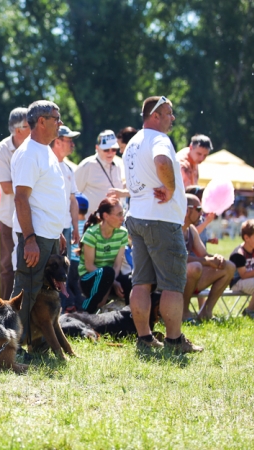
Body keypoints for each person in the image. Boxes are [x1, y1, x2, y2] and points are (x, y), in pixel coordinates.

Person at [123, 95, 202, 353]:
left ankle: (144, 339)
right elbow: (162, 162)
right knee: (171, 284)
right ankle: (174, 341)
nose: (173, 118)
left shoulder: (133, 141)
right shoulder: (159, 139)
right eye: (169, 113)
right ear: (155, 115)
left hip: (137, 217)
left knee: (141, 282)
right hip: (161, 219)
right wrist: (169, 188)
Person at [10, 100, 68, 346]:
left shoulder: (45, 150)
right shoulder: (28, 153)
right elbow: (21, 198)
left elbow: (46, 196)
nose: (60, 123)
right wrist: (30, 239)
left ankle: (39, 343)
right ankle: (11, 346)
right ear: (41, 121)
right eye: (56, 117)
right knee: (26, 292)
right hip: (36, 236)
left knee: (44, 292)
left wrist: (57, 233)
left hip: (48, 235)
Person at [0, 107, 29, 299]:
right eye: (29, 124)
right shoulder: (1, 150)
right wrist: (31, 185)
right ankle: (5, 307)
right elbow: (6, 187)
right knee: (7, 266)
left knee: (31, 264)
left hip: (33, 215)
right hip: (9, 218)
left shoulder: (36, 146)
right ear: (18, 130)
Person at [182, 194, 235, 320]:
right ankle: (183, 312)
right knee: (195, 267)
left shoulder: (192, 229)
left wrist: (216, 258)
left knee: (229, 267)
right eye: (199, 209)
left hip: (189, 277)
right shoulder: (174, 228)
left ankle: (206, 313)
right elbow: (180, 258)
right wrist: (206, 261)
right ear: (187, 210)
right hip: (172, 280)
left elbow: (204, 255)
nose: (202, 213)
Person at [79, 197, 130, 313]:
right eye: (119, 214)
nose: (122, 218)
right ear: (106, 216)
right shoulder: (91, 233)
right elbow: (89, 266)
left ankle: (128, 318)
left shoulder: (123, 233)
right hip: (89, 278)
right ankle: (86, 312)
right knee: (107, 272)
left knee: (131, 281)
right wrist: (113, 282)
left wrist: (113, 281)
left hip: (110, 277)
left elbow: (117, 265)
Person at [74, 129, 125, 220]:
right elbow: (74, 193)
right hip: (91, 222)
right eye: (106, 149)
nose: (110, 153)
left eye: (113, 149)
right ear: (97, 148)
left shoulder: (117, 165)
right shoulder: (87, 165)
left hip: (114, 222)